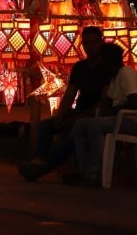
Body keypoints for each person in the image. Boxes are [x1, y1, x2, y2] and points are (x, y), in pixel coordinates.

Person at [17, 26, 111, 182]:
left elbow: (104, 101)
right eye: (86, 43)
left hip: (93, 115)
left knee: (74, 133)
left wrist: (79, 116)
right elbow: (70, 94)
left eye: (94, 42)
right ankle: (39, 160)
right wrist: (61, 114)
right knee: (45, 126)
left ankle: (42, 169)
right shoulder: (80, 67)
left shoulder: (107, 68)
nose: (90, 47)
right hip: (78, 112)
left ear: (101, 43)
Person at [65, 42, 137, 185]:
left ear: (106, 61)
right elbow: (108, 101)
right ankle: (86, 171)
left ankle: (94, 172)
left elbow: (134, 103)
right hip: (123, 119)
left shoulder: (126, 73)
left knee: (95, 125)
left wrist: (108, 112)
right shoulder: (114, 78)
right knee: (79, 125)